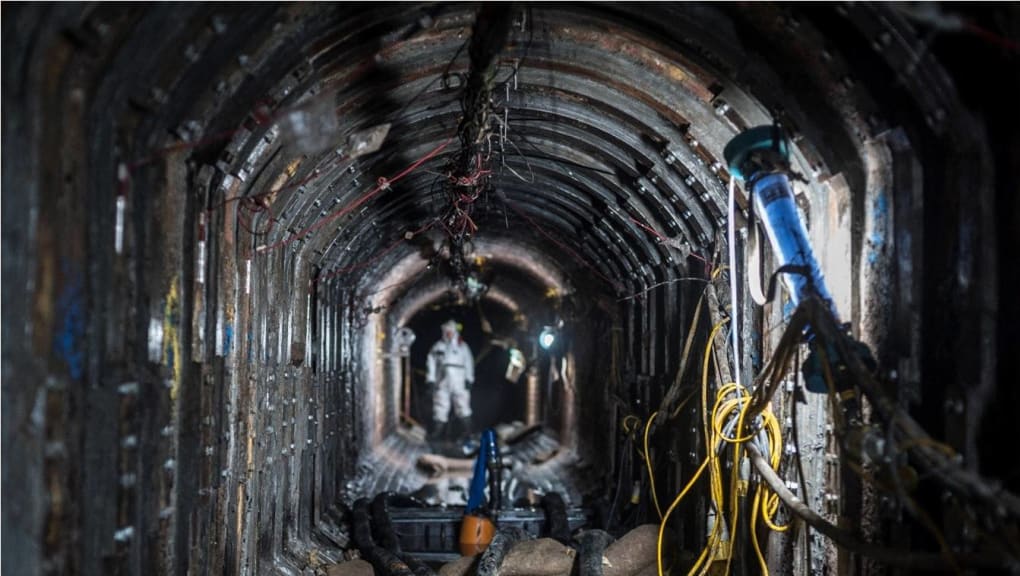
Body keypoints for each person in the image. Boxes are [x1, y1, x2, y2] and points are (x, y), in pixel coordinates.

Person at [426, 319, 474, 443]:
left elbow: (469, 363)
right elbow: (431, 363)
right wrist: (430, 380)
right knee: (440, 407)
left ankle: (468, 434)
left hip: (460, 380)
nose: (449, 334)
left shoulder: (463, 347)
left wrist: (469, 379)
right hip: (442, 381)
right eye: (447, 332)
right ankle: (436, 435)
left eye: (451, 332)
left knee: (463, 407)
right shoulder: (438, 346)